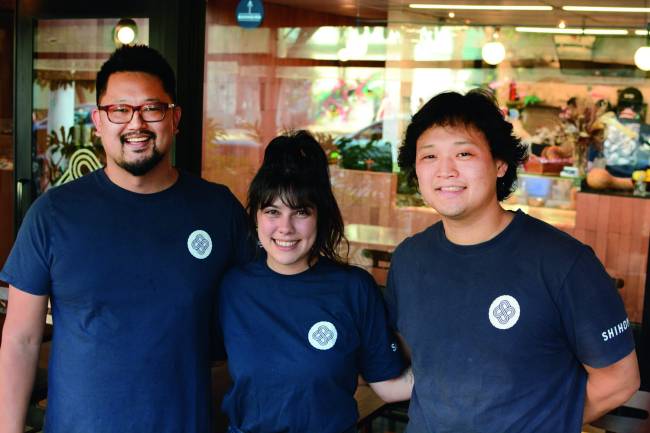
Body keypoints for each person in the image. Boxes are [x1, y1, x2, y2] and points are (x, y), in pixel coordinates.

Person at [0, 45, 251, 433]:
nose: (136, 124)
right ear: (98, 121)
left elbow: (262, 311)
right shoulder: (53, 214)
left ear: (175, 118)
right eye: (119, 110)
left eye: (152, 108)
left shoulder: (217, 210)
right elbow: (21, 339)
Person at [386, 89, 640, 433]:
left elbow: (619, 380)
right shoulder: (408, 260)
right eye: (429, 156)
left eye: (463, 153)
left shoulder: (563, 262)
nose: (445, 170)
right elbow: (424, 364)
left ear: (500, 163)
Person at [218, 130, 412, 433]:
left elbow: (388, 386)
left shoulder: (353, 288)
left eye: (300, 212)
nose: (285, 227)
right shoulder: (232, 287)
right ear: (255, 217)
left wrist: (472, 366)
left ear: (320, 217)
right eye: (272, 211)